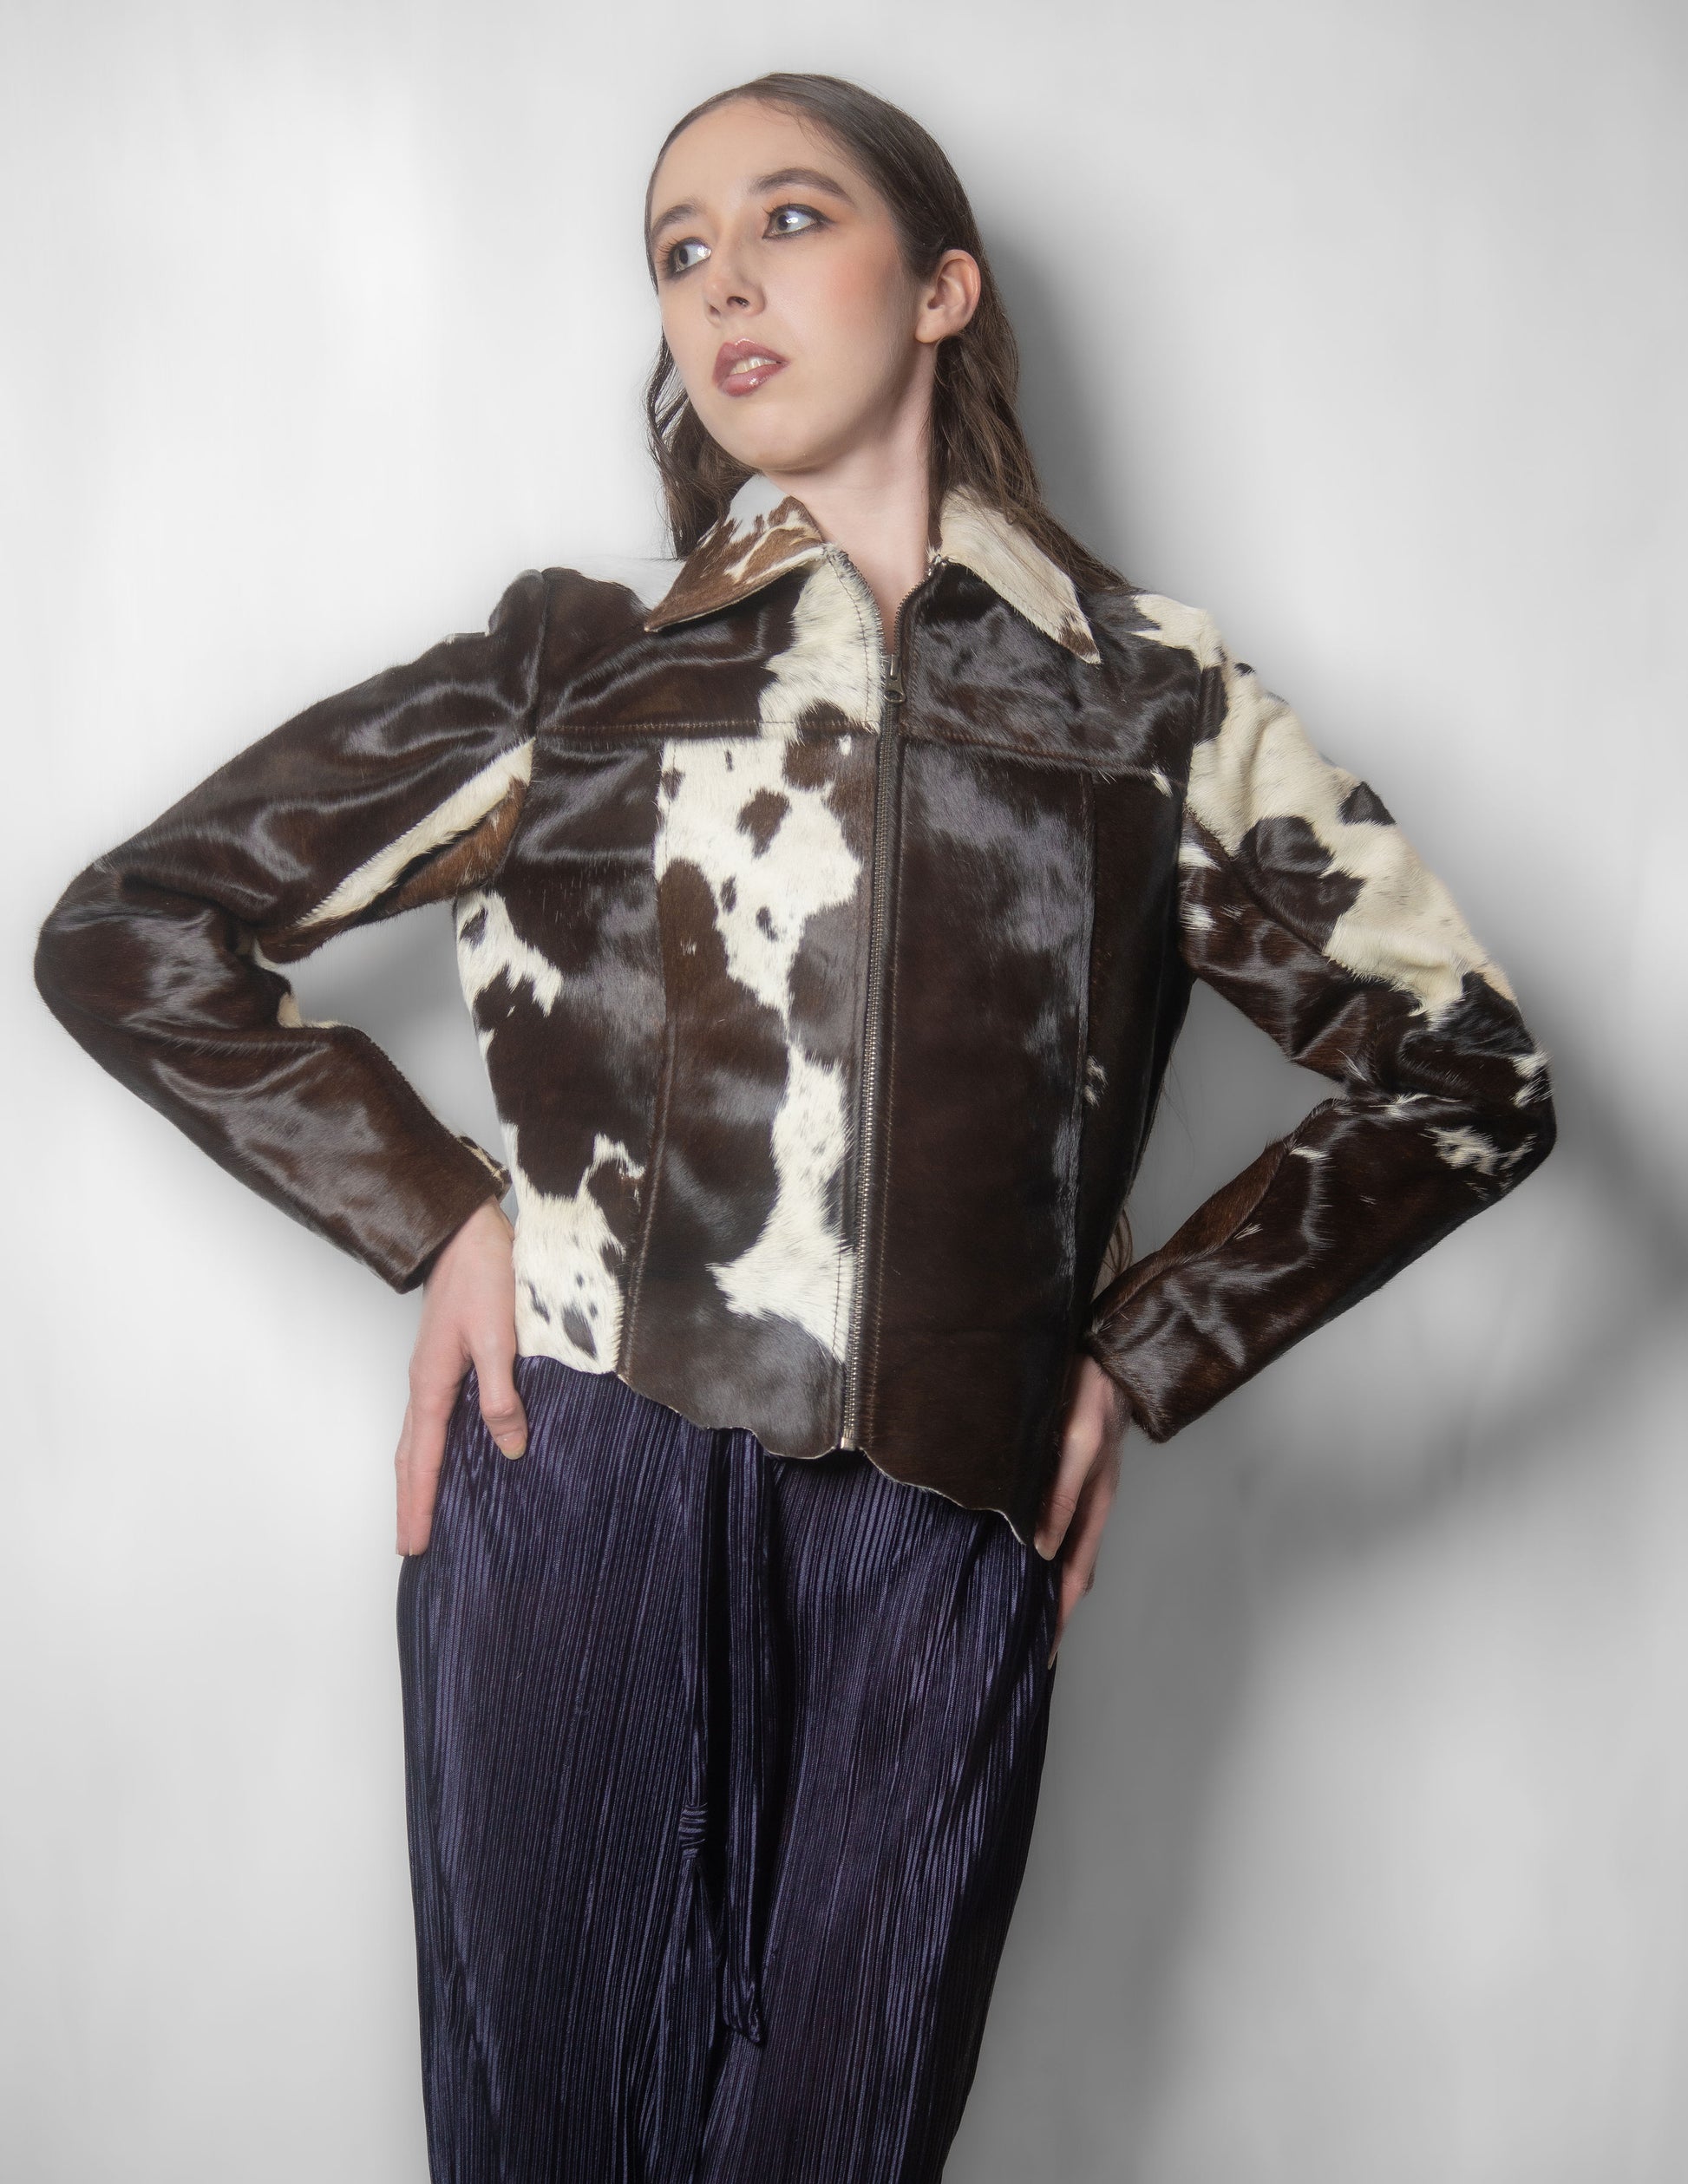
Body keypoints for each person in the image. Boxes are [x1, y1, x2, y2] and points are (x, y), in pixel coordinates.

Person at [30, 69, 1556, 2184]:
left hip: (942, 1513)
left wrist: (1140, 1350)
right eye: (679, 251)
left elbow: (1466, 1070)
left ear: (940, 287)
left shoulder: (1152, 700)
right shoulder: (571, 664)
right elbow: (131, 927)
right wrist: (436, 1212)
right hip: (573, 1466)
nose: (723, 280)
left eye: (788, 218)